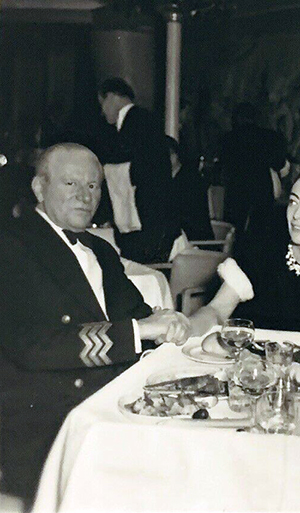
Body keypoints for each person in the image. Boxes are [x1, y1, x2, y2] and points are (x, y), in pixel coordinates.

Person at [0, 143, 192, 503]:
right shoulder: (11, 246)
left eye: (93, 186)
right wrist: (140, 331)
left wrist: (161, 320)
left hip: (108, 399)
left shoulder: (101, 250)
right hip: (48, 414)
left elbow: (135, 313)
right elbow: (36, 347)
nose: (84, 196)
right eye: (70, 184)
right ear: (39, 189)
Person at [191, 161, 300, 337]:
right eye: (293, 202)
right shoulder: (261, 255)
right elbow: (217, 310)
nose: (296, 215)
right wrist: (186, 327)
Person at [97, 77, 181, 263]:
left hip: (145, 221)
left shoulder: (136, 121)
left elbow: (141, 171)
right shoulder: (144, 120)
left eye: (102, 104)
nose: (102, 112)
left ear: (111, 97)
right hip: (148, 220)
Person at [219, 102, 288, 247]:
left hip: (236, 189)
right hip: (262, 188)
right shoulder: (269, 137)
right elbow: (279, 163)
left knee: (234, 232)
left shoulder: (228, 138)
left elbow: (222, 166)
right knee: (261, 232)